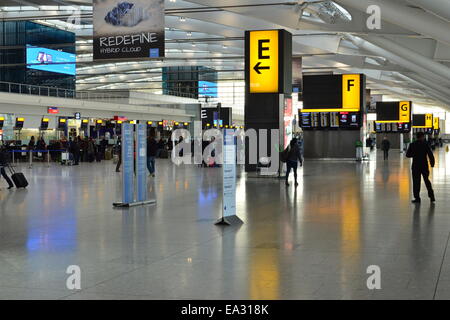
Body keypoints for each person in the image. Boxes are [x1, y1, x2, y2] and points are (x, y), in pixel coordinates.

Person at [406, 132, 435, 203]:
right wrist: (432, 163)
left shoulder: (412, 145)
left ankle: (417, 198)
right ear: (422, 137)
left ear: (416, 137)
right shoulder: (425, 144)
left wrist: (415, 154)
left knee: (416, 182)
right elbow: (430, 154)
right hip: (424, 166)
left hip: (415, 166)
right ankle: (431, 196)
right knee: (427, 181)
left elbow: (408, 155)